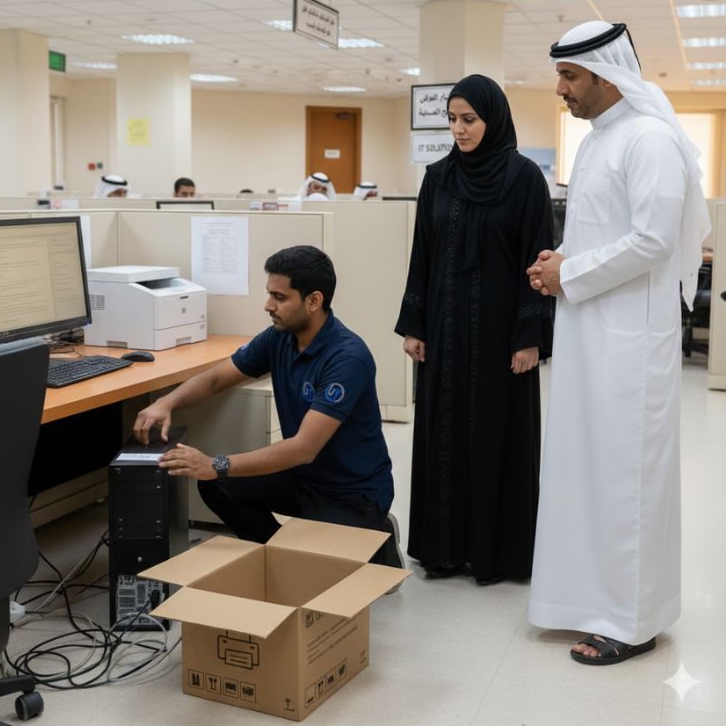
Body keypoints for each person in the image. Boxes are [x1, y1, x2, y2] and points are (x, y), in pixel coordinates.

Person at [526, 21, 710, 665]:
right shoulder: (598, 141)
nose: (561, 89)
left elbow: (653, 240)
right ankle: (585, 600)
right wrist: (559, 259)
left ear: (606, 76)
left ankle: (632, 622)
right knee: (586, 467)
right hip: (589, 331)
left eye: (570, 76)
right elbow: (602, 230)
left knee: (627, 475)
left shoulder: (648, 139)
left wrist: (570, 272)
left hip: (630, 341)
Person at [133, 245, 403, 568]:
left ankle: (378, 535)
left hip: (352, 494)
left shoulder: (347, 358)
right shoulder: (279, 337)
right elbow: (216, 379)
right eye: (269, 294)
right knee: (218, 486)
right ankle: (279, 555)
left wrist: (215, 462)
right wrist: (167, 402)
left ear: (314, 301)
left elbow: (303, 448)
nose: (268, 305)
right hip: (303, 480)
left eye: (279, 297)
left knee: (320, 576)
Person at [395, 74, 554, 585]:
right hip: (444, 331)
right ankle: (443, 551)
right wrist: (414, 324)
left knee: (496, 435)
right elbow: (422, 254)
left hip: (501, 337)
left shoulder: (525, 179)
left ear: (494, 119)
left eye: (469, 119)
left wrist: (530, 335)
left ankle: (498, 555)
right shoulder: (438, 177)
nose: (458, 129)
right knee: (444, 434)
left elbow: (538, 260)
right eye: (452, 119)